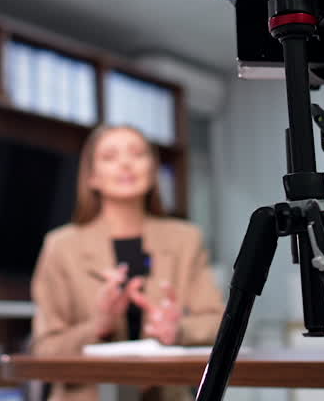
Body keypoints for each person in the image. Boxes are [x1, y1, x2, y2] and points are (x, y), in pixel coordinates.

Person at [30, 125, 225, 401]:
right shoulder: (61, 246)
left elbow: (219, 323)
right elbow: (45, 350)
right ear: (92, 177)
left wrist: (177, 329)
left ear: (153, 168)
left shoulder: (186, 239)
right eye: (110, 157)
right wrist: (98, 325)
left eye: (137, 154)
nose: (125, 164)